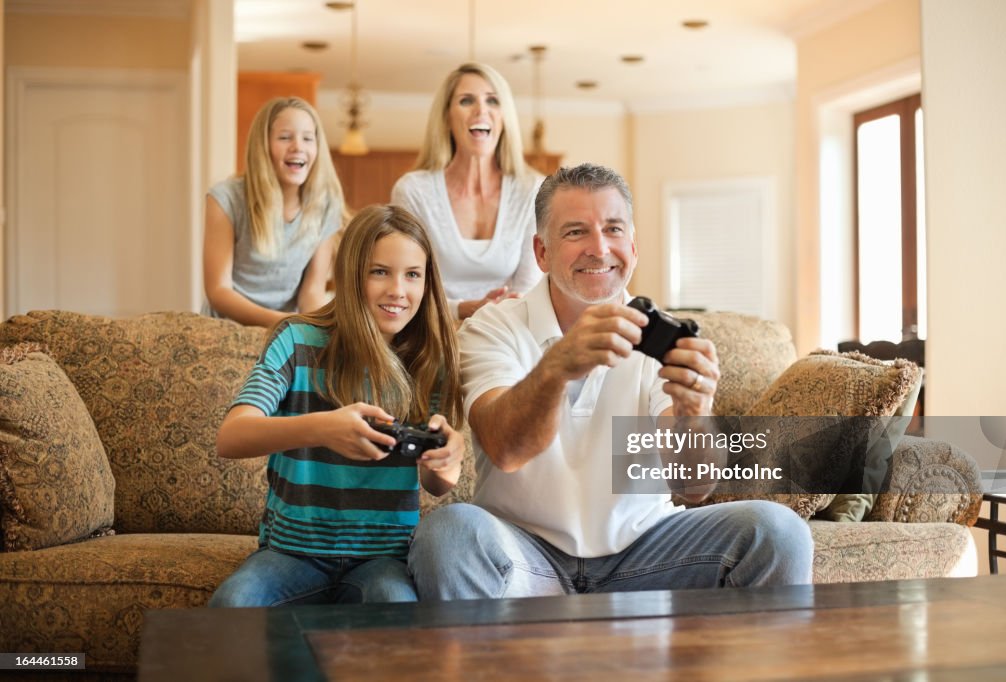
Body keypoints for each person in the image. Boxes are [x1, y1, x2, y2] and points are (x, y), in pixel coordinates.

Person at [408, 164, 813, 599]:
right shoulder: (493, 328)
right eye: (576, 232)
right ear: (541, 253)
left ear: (633, 248)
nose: (599, 249)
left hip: (647, 552)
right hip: (525, 554)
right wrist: (558, 366)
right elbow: (506, 450)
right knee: (448, 533)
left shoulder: (667, 339)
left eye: (613, 229)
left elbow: (693, 487)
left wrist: (694, 413)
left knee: (779, 531)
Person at [208, 204, 465, 607]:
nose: (398, 290)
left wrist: (449, 459)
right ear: (350, 275)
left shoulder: (428, 359)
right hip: (291, 553)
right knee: (232, 605)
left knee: (399, 610)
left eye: (412, 274)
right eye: (379, 271)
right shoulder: (295, 340)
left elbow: (436, 485)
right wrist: (321, 428)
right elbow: (231, 436)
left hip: (383, 558)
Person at [391, 62, 543, 321]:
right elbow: (404, 282)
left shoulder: (533, 189)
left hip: (507, 333)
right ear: (447, 117)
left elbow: (529, 286)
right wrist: (462, 309)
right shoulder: (413, 191)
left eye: (493, 101)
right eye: (466, 101)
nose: (481, 110)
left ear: (504, 117)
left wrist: (492, 319)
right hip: (432, 333)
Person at [204, 96, 344, 327]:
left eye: (308, 138)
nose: (298, 146)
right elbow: (218, 291)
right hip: (226, 330)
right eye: (285, 137)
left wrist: (315, 326)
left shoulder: (327, 204)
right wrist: (286, 321)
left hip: (287, 331)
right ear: (263, 146)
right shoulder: (226, 197)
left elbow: (312, 291)